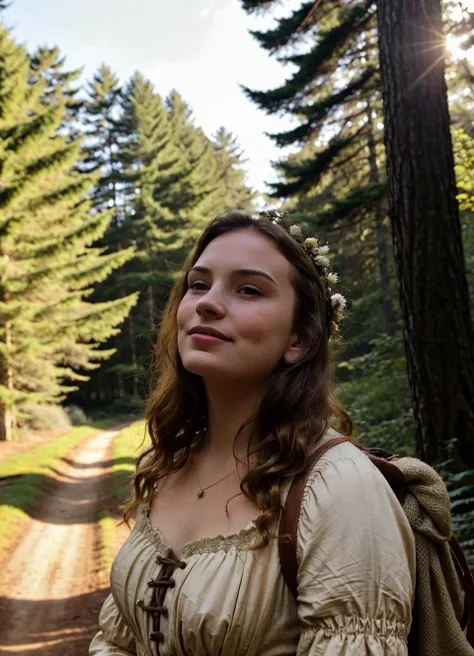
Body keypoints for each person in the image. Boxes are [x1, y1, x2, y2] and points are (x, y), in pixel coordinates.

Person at [89, 210, 415, 656]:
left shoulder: (340, 490)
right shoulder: (167, 466)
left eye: (249, 289)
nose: (207, 302)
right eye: (198, 284)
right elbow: (118, 639)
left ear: (298, 339)